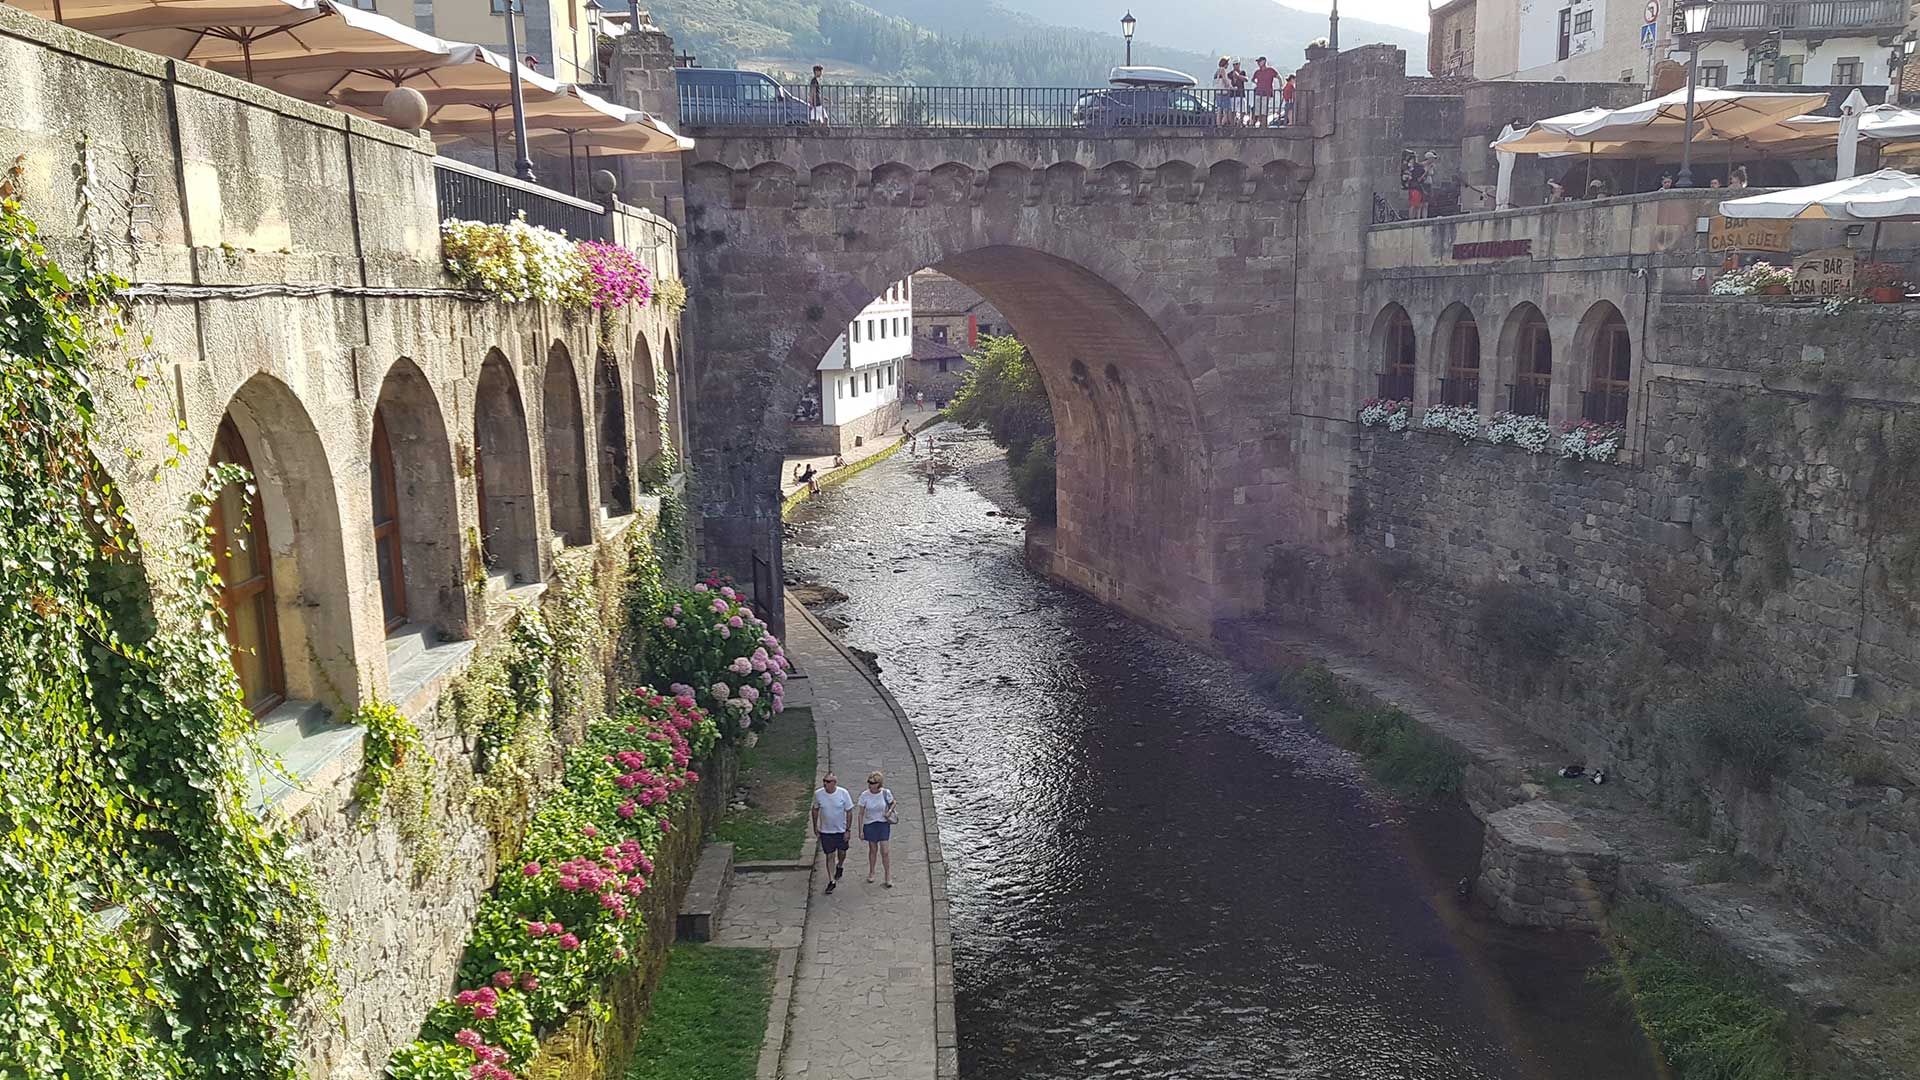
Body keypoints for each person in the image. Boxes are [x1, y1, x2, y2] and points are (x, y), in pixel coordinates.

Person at [812, 773, 854, 893]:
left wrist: (848, 830)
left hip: (840, 830)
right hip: (826, 831)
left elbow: (849, 811)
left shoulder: (843, 793)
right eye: (824, 781)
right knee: (829, 855)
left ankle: (840, 865)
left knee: (842, 852)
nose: (825, 783)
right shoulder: (818, 794)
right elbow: (815, 810)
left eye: (828, 781)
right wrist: (815, 826)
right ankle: (831, 880)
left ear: (834, 782)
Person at [855, 771, 896, 886]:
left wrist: (889, 811)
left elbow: (893, 802)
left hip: (882, 824)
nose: (870, 785)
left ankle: (888, 875)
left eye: (873, 783)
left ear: (879, 783)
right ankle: (872, 871)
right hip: (870, 824)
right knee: (873, 850)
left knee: (885, 851)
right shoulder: (865, 795)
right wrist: (860, 830)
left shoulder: (885, 793)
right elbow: (861, 814)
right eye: (869, 782)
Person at [1406, 151, 1433, 219]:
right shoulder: (1415, 167)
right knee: (1414, 205)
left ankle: (1417, 219)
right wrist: (1426, 172)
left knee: (1418, 205)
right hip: (1415, 187)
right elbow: (1419, 178)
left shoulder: (1417, 167)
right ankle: (1412, 219)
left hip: (1418, 187)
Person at [1251, 57, 1278, 127]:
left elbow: (1278, 77)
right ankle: (1260, 124)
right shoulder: (1257, 72)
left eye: (1259, 61)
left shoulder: (1270, 70)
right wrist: (1257, 83)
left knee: (1264, 111)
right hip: (1258, 92)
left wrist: (1281, 86)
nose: (1258, 63)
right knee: (1258, 111)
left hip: (1266, 93)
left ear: (1264, 61)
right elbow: (1252, 79)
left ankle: (1264, 125)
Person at [1213, 58, 1234, 123]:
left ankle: (1219, 124)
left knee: (1219, 109)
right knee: (1226, 110)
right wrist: (1230, 87)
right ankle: (1223, 124)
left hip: (1218, 92)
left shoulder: (1217, 71)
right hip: (1224, 92)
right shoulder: (1223, 70)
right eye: (1227, 63)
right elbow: (1225, 80)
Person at [1227, 60, 1248, 125]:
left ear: (1239, 64)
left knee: (1243, 111)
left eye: (1237, 64)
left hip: (1241, 94)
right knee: (1233, 111)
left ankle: (1239, 123)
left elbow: (1246, 79)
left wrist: (1238, 76)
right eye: (1234, 64)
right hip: (1233, 95)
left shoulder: (1242, 72)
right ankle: (1232, 125)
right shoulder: (1230, 73)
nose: (1235, 66)